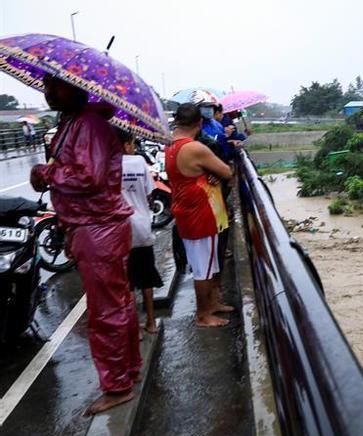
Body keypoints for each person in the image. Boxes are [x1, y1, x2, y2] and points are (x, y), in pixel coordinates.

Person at [30, 75, 141, 416]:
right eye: (46, 86)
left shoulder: (89, 125)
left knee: (106, 311)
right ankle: (128, 369)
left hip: (98, 229)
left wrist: (45, 174)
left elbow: (87, 178)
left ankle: (117, 385)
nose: (48, 93)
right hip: (92, 227)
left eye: (55, 87)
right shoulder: (75, 122)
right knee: (118, 303)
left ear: (75, 88)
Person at [165, 103, 234, 327]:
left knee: (207, 263)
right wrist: (212, 171)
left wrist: (205, 172)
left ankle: (212, 304)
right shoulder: (194, 148)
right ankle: (203, 315)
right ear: (200, 123)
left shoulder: (171, 145)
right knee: (203, 268)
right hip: (199, 213)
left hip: (186, 210)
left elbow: (191, 173)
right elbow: (226, 171)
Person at [118, 130, 163, 335]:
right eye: (133, 143)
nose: (134, 147)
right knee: (146, 277)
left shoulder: (107, 165)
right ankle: (151, 322)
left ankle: (134, 328)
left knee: (127, 282)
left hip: (119, 231)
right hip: (142, 227)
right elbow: (149, 193)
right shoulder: (139, 162)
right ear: (127, 145)